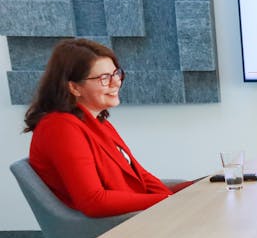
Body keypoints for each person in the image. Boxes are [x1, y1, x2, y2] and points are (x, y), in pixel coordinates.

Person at [24, 38, 191, 218]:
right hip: (113, 229)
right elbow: (94, 201)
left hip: (138, 217)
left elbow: (140, 177)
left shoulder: (97, 121)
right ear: (74, 87)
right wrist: (168, 201)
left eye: (116, 73)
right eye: (104, 78)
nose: (116, 83)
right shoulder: (59, 128)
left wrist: (179, 196)